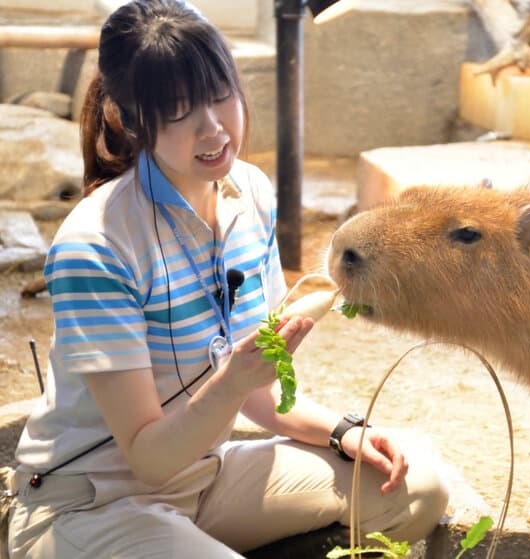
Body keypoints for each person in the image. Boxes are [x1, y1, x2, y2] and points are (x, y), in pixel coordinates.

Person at [6, 1, 448, 557]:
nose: (213, 128)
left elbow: (261, 398)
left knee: (416, 488)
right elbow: (149, 454)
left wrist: (345, 432)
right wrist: (233, 382)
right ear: (130, 116)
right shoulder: (95, 244)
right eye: (178, 111)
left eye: (221, 96)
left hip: (202, 479)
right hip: (95, 503)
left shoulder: (249, 194)